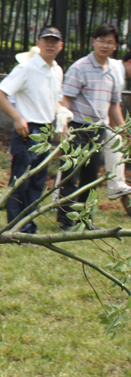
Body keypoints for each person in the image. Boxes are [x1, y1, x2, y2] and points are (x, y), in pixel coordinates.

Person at [0, 26, 66, 233]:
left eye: (54, 41)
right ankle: (15, 227)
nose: (50, 45)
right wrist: (17, 117)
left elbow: (56, 102)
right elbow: (0, 93)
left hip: (46, 130)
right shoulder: (26, 68)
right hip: (28, 130)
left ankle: (29, 225)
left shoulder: (57, 71)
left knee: (37, 181)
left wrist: (63, 120)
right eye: (47, 40)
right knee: (21, 180)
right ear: (39, 42)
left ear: (61, 45)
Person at [57, 24, 126, 230]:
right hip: (77, 128)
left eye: (110, 42)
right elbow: (65, 100)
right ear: (93, 42)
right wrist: (64, 128)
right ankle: (66, 221)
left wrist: (122, 129)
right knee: (71, 176)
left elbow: (114, 105)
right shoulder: (79, 67)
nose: (105, 45)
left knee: (91, 177)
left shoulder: (115, 70)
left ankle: (84, 220)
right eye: (101, 40)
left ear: (115, 46)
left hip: (99, 129)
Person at [103, 52, 131, 200]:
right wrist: (122, 131)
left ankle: (57, 196)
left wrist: (118, 130)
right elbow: (112, 105)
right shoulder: (117, 71)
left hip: (93, 117)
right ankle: (116, 186)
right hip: (87, 117)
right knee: (116, 142)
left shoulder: (115, 67)